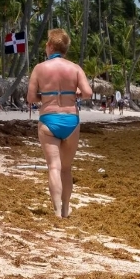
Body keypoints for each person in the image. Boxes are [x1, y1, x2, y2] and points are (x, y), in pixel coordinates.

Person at [27, 29, 93, 218]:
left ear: (49, 46)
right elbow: (87, 93)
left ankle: (56, 210)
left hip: (49, 119)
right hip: (71, 120)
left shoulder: (40, 68)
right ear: (65, 48)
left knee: (53, 167)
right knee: (66, 168)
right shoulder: (75, 68)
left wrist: (47, 97)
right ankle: (66, 208)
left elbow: (31, 97)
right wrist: (74, 94)